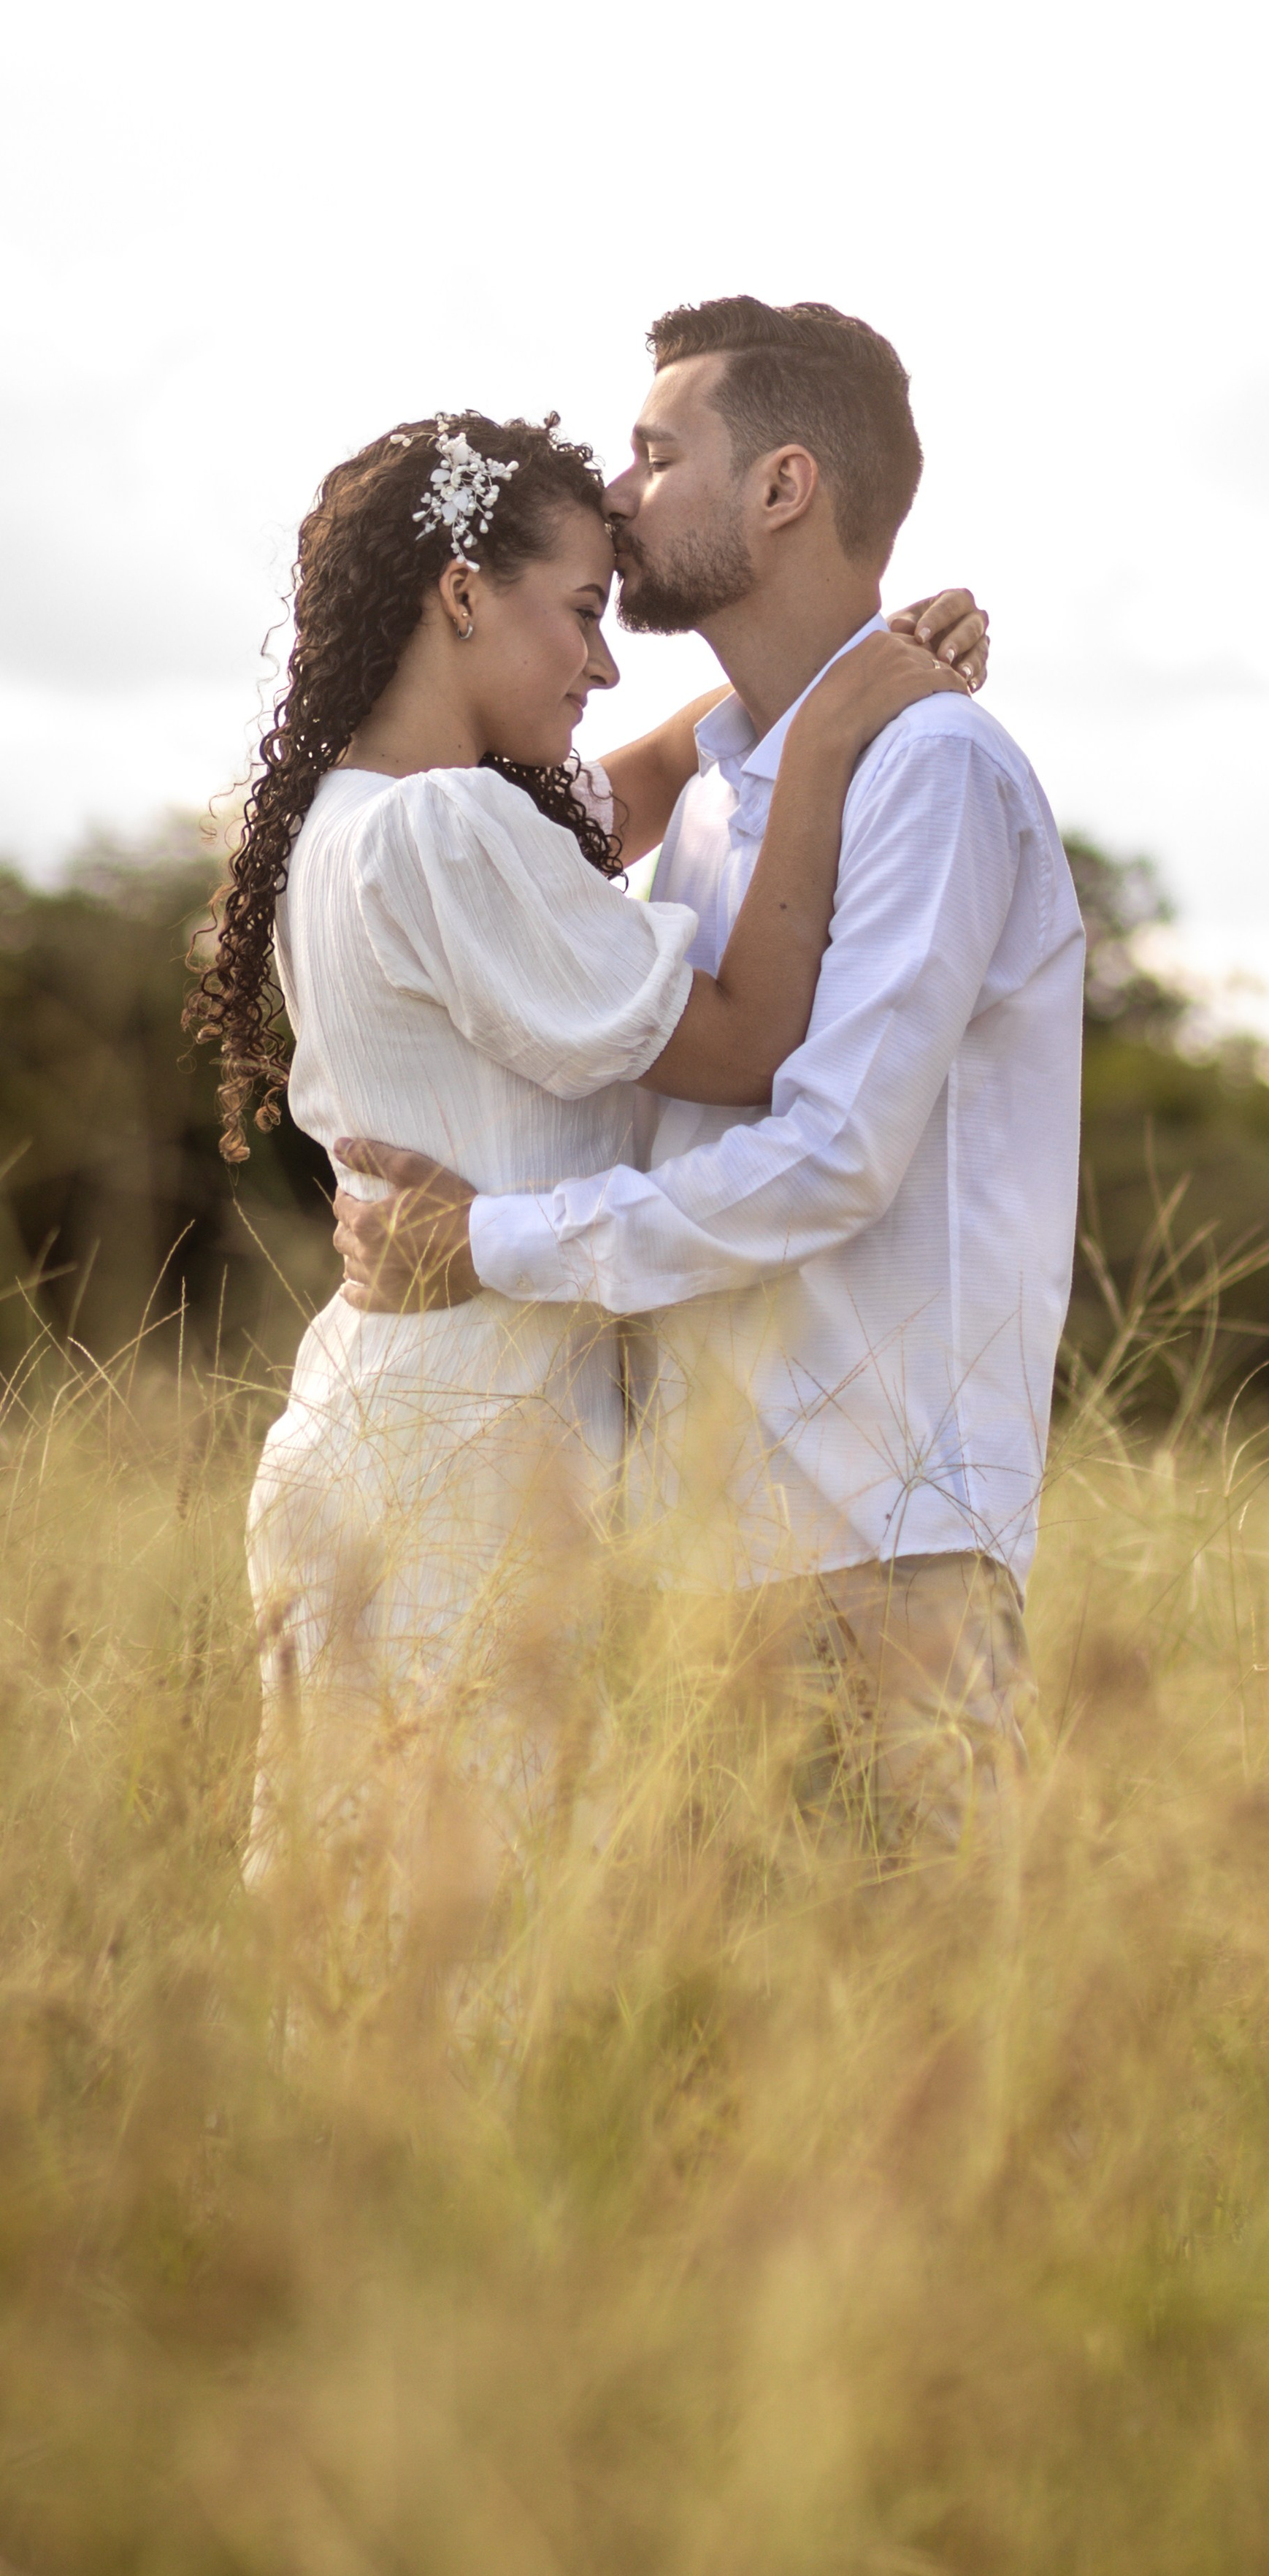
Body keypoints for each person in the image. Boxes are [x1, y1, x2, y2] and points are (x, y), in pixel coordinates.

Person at [188, 405, 985, 1931]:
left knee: (378, 1919)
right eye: (578, 615)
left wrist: (812, 684)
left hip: (391, 1416)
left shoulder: (352, 823)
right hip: (468, 1451)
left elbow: (609, 800)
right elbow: (747, 1035)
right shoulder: (443, 834)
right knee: (463, 1931)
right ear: (460, 593)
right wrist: (830, 732)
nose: (605, 662)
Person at [333, 302, 1086, 1865]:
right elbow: (530, 858)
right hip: (696, 1561)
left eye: (657, 453)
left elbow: (831, 1162)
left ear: (783, 488)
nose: (615, 492)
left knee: (923, 2065)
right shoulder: (729, 786)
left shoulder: (930, 772)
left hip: (876, 1542)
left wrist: (485, 1246)